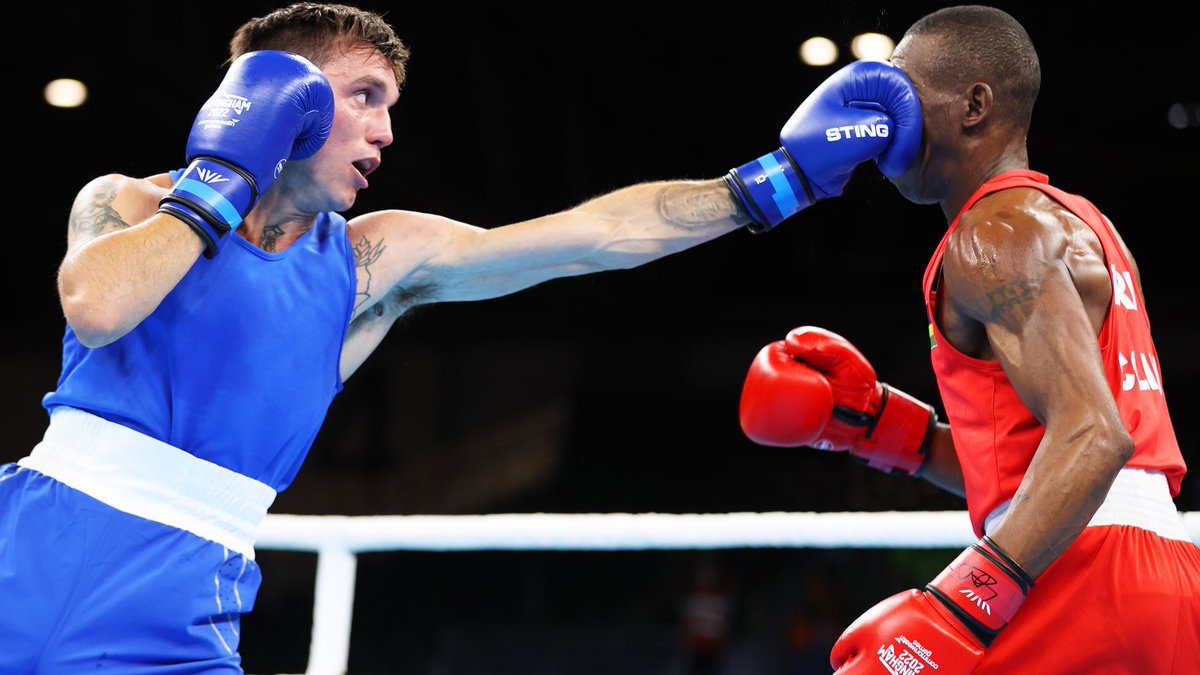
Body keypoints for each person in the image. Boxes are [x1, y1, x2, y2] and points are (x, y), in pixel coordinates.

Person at [0, 3, 924, 673]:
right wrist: (221, 177)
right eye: (363, 97)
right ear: (286, 98)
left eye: (390, 105)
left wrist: (770, 184)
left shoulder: (374, 259)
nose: (386, 129)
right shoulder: (130, 200)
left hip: (183, 599)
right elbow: (97, 307)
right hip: (29, 539)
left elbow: (592, 237)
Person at [738, 5, 1199, 674]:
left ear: (974, 106)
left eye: (903, 92)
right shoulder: (1088, 226)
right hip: (1164, 575)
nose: (884, 122)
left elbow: (1095, 437)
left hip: (1077, 572)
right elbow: (1047, 458)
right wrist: (887, 428)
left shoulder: (992, 233)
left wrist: (961, 603)